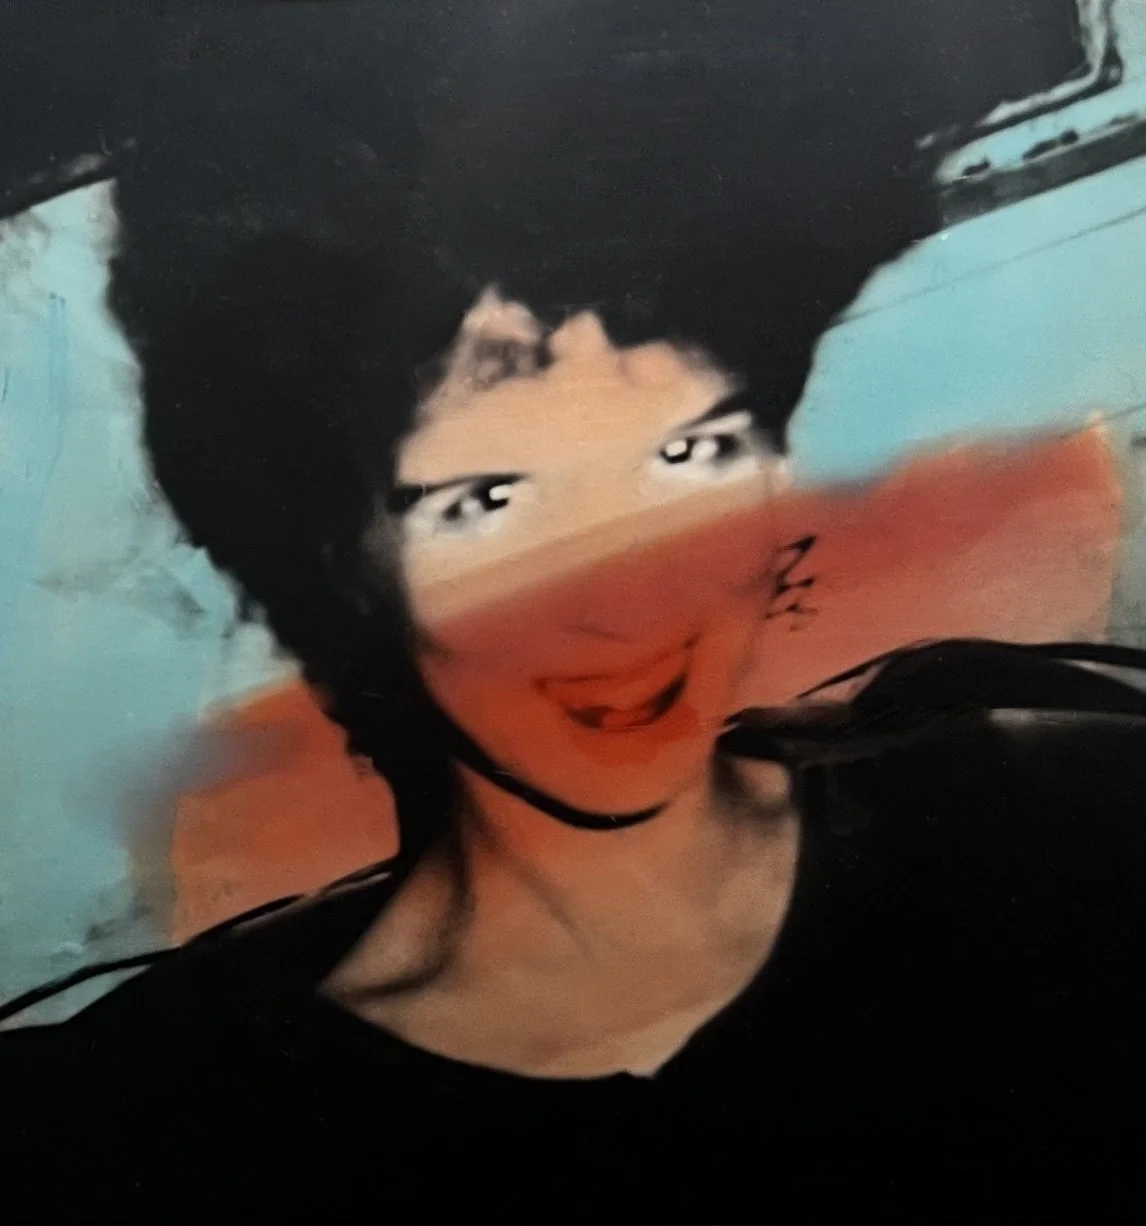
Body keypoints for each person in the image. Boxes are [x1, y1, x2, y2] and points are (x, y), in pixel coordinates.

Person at [4, 5, 1146, 1223]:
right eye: (488, 500)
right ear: (335, 558)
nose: (626, 602)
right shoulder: (161, 1132)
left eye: (690, 453)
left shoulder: (1066, 828)